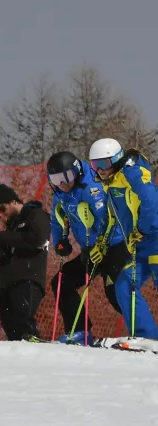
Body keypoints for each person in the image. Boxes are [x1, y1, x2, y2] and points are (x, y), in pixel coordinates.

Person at [46, 151, 123, 344]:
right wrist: (60, 242)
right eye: (56, 179)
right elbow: (57, 219)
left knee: (116, 291)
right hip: (91, 250)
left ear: (77, 171)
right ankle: (79, 331)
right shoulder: (60, 192)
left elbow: (108, 221)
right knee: (62, 281)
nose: (63, 183)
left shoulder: (92, 188)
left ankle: (145, 332)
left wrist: (99, 245)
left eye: (67, 177)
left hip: (114, 247)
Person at [87, 138, 158, 339]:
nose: (100, 170)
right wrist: (102, 241)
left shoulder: (130, 172)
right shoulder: (111, 184)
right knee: (124, 284)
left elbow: (152, 201)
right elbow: (110, 217)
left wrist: (142, 230)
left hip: (154, 237)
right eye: (95, 165)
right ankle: (147, 337)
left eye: (104, 163)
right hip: (140, 245)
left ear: (117, 160)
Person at [0, 184, 50, 342]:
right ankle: (18, 358)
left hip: (28, 277)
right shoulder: (11, 226)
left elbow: (37, 239)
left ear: (13, 201)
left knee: (23, 321)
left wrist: (2, 237)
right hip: (8, 282)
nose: (1, 214)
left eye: (2, 209)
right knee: (10, 326)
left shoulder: (36, 214)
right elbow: (5, 258)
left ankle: (36, 350)